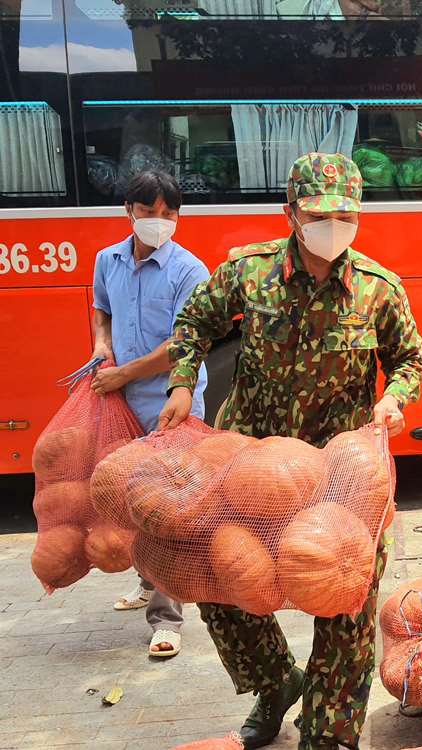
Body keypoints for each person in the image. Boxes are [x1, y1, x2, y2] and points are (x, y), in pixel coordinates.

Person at [157, 152, 422, 750]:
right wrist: (181, 383)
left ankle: (328, 737)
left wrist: (395, 399)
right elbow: (194, 320)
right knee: (218, 584)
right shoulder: (247, 274)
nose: (335, 225)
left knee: (347, 609)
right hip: (250, 474)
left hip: (343, 482)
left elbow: (408, 358)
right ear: (290, 213)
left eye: (346, 214)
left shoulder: (380, 291)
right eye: (320, 213)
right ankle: (276, 683)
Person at [90, 169, 209, 659]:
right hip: (121, 403)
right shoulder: (107, 260)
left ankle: (168, 618)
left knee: (169, 510)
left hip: (171, 402)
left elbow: (182, 345)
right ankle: (147, 580)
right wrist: (102, 347)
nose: (159, 222)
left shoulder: (189, 270)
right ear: (128, 212)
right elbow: (101, 309)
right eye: (149, 213)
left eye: (169, 214)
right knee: (131, 501)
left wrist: (125, 373)